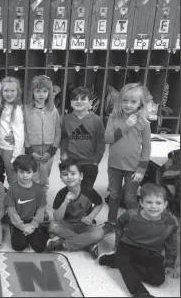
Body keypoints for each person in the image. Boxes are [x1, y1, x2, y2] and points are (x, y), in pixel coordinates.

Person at [99, 183, 179, 298]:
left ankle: (117, 260)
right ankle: (139, 292)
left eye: (158, 203)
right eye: (149, 202)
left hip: (152, 252)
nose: (153, 206)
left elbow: (171, 243)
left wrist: (169, 264)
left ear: (165, 205)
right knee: (125, 261)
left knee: (158, 280)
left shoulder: (170, 222)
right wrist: (117, 244)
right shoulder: (132, 214)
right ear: (141, 203)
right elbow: (119, 225)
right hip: (128, 247)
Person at [103, 83, 152, 235]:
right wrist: (125, 126)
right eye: (125, 100)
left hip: (133, 168)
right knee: (114, 195)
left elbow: (147, 147)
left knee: (130, 198)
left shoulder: (144, 122)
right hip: (114, 166)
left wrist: (141, 169)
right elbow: (107, 139)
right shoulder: (113, 117)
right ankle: (111, 222)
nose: (128, 105)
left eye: (133, 101)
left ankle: (132, 223)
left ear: (140, 104)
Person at [45, 159, 104, 259]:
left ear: (81, 176)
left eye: (73, 173)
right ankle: (87, 244)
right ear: (61, 178)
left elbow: (100, 203)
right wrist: (65, 202)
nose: (69, 177)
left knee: (99, 233)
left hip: (84, 225)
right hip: (67, 224)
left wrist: (91, 217)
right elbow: (57, 218)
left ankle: (63, 244)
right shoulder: (61, 194)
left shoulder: (89, 191)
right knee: (53, 226)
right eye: (65, 174)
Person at [60, 86, 105, 190]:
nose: (78, 101)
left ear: (90, 103)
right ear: (71, 102)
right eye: (75, 99)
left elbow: (101, 142)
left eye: (83, 99)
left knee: (87, 189)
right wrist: (63, 153)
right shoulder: (66, 119)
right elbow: (64, 138)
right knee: (72, 188)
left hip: (89, 162)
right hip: (71, 161)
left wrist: (96, 161)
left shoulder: (97, 120)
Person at [24, 75, 61, 193]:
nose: (41, 94)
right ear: (32, 92)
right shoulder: (26, 110)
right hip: (32, 149)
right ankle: (32, 204)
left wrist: (52, 150)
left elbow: (58, 130)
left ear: (50, 93)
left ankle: (42, 206)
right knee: (32, 177)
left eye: (45, 91)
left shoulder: (53, 109)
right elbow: (23, 131)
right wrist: (30, 150)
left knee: (44, 180)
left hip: (48, 150)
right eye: (38, 91)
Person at [5, 155, 48, 252]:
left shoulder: (39, 189)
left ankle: (43, 229)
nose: (25, 176)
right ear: (16, 171)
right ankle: (14, 228)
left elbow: (41, 208)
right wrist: (21, 226)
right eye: (21, 172)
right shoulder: (12, 189)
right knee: (18, 246)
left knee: (39, 247)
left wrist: (33, 224)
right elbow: (11, 210)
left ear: (34, 172)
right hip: (19, 221)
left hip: (33, 220)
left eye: (28, 172)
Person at [0, 77, 25, 185]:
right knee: (9, 175)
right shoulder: (5, 106)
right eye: (6, 91)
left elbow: (19, 134)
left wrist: (16, 156)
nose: (9, 94)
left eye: (12, 91)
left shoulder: (17, 109)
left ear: (18, 92)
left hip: (11, 150)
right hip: (3, 147)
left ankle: (16, 199)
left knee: (12, 178)